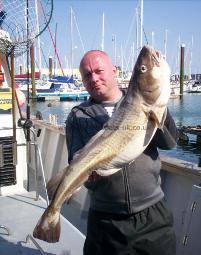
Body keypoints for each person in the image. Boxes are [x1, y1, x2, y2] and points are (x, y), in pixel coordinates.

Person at [65, 50, 178, 255]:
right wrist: (89, 177)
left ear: (114, 71)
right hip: (105, 219)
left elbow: (169, 143)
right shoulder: (77, 116)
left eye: (99, 71)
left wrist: (160, 106)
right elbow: (75, 160)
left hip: (152, 213)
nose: (94, 79)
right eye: (87, 75)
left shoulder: (143, 101)